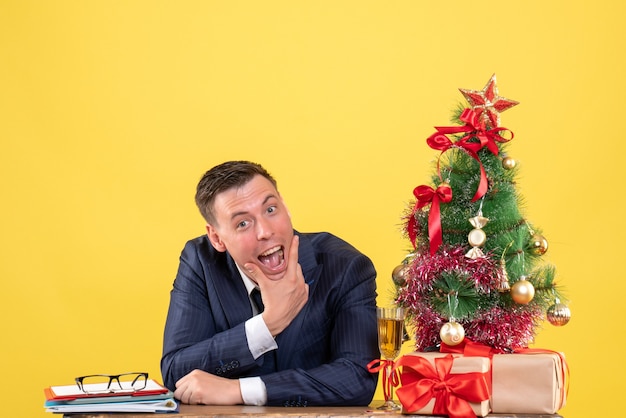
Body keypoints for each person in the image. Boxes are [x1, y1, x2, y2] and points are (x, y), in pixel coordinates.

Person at [161, 160, 379, 407]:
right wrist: (266, 326)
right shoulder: (201, 261)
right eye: (243, 223)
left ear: (285, 206)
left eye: (271, 209)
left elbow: (357, 377)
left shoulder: (346, 267)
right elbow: (176, 372)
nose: (265, 231)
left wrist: (241, 390)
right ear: (217, 238)